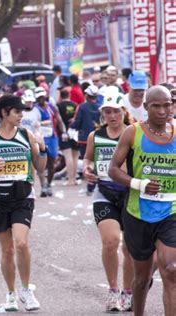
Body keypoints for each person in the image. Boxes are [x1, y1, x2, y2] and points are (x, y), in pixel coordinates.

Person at [0, 95, 46, 311]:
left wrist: (42, 149)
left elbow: (40, 167)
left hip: (22, 196)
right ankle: (11, 294)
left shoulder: (26, 134)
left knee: (21, 243)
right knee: (7, 250)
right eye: (17, 112)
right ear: (4, 113)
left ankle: (26, 290)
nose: (22, 116)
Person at [108, 86, 176, 316]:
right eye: (156, 105)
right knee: (141, 279)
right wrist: (140, 184)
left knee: (171, 270)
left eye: (167, 104)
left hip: (171, 210)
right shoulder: (132, 132)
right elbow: (113, 170)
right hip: (138, 212)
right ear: (145, 107)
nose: (162, 110)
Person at [83, 92, 134, 312]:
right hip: (104, 193)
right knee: (111, 241)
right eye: (107, 112)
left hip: (130, 194)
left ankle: (129, 292)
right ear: (103, 113)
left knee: (130, 249)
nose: (112, 116)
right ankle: (113, 290)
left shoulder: (134, 133)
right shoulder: (96, 135)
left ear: (124, 111)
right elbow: (88, 157)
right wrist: (87, 168)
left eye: (115, 111)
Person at [34, 87, 67, 197]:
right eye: (38, 98)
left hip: (52, 137)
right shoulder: (34, 109)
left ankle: (48, 184)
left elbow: (59, 120)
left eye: (42, 97)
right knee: (40, 164)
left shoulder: (52, 107)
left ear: (45, 96)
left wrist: (64, 132)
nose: (41, 99)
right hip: (39, 138)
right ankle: (43, 186)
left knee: (51, 164)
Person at [71, 85, 101, 195]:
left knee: (88, 161)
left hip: (84, 139)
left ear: (87, 95)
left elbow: (77, 122)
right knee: (96, 161)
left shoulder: (82, 107)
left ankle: (90, 187)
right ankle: (93, 185)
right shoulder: (100, 107)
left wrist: (72, 125)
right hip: (98, 139)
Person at [57, 89, 79, 185]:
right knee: (75, 157)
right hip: (75, 132)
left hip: (64, 133)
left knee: (68, 157)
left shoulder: (58, 106)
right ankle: (74, 179)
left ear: (61, 96)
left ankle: (70, 180)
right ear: (69, 95)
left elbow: (57, 120)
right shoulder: (75, 105)